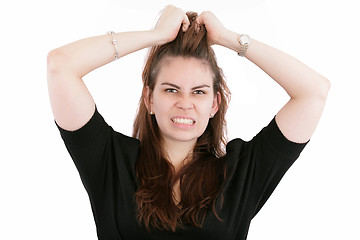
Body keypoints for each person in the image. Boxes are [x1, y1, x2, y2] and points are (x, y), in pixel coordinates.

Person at [47, 5, 330, 240]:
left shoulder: (239, 175)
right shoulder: (110, 162)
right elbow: (61, 66)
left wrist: (231, 39)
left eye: (199, 91)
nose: (185, 102)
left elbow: (313, 92)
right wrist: (155, 35)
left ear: (214, 104)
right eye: (171, 90)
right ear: (149, 99)